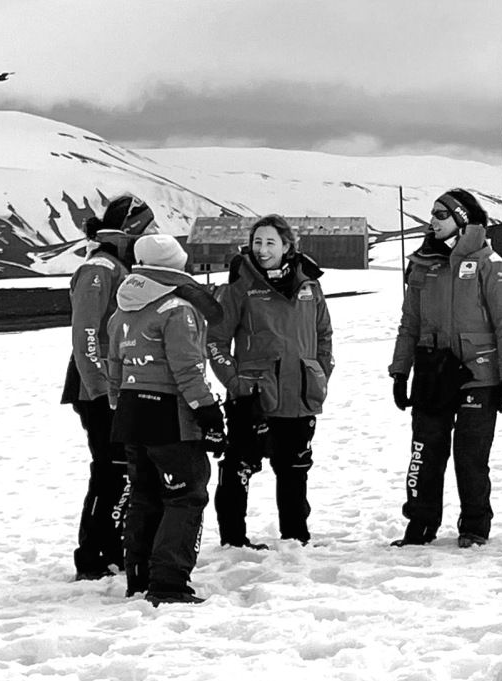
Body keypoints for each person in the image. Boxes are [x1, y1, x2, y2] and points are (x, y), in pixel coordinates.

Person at [388, 189, 502, 548]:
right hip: (432, 372)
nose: (432, 221)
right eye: (432, 214)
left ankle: (474, 527)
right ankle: (420, 525)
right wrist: (400, 371)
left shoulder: (490, 264)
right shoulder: (421, 264)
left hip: (479, 375)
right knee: (425, 452)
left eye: (441, 215)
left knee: (470, 456)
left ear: (461, 221)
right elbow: (409, 323)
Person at [107, 234, 226, 605]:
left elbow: (114, 368)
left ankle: (139, 577)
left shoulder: (121, 310)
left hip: (130, 411)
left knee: (144, 496)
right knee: (185, 495)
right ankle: (169, 583)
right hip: (169, 414)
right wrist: (210, 416)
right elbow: (187, 371)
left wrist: (117, 404)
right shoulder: (176, 309)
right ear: (176, 266)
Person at [206, 215, 334, 548]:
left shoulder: (310, 285)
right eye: (257, 242)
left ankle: (295, 537)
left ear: (287, 246)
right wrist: (236, 384)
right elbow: (216, 341)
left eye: (270, 243)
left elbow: (323, 335)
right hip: (255, 398)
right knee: (240, 467)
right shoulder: (240, 286)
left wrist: (320, 373)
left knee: (294, 468)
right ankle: (234, 540)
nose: (262, 250)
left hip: (301, 394)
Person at [59, 193, 156, 580]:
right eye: (148, 228)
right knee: (111, 468)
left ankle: (111, 547)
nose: (152, 235)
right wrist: (103, 391)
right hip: (96, 387)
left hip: (115, 385)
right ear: (132, 229)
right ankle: (94, 556)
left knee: (122, 469)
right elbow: (85, 335)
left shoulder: (117, 265)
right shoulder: (100, 268)